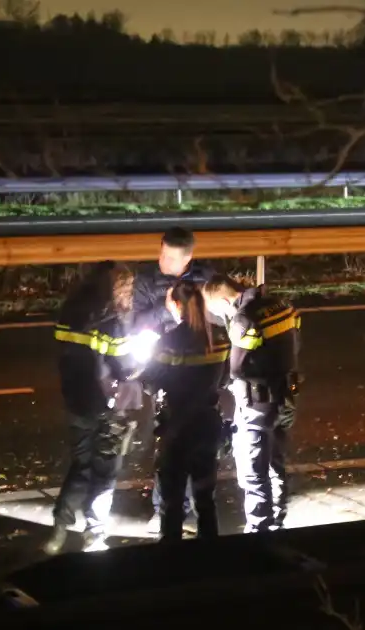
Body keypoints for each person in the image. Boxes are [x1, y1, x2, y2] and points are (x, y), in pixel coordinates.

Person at [43, 261, 138, 555]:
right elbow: (124, 368)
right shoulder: (111, 318)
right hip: (105, 405)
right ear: (117, 288)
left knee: (80, 465)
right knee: (104, 472)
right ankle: (94, 535)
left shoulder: (71, 309)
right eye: (128, 288)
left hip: (75, 399)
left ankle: (58, 530)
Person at [130, 227, 216, 534]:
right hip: (169, 373)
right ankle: (166, 509)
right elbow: (136, 323)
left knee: (189, 451)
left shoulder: (206, 277)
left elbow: (215, 319)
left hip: (199, 375)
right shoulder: (146, 280)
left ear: (188, 258)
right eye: (161, 252)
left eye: (169, 256)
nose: (161, 260)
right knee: (169, 447)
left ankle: (189, 514)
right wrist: (165, 312)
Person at [202, 274, 301, 532]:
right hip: (285, 396)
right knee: (275, 461)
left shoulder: (243, 319)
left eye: (214, 309)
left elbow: (235, 369)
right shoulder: (281, 305)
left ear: (223, 299)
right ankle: (278, 517)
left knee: (253, 470)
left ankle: (259, 529)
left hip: (257, 404)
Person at [138, 279, 229, 541]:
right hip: (208, 424)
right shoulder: (219, 338)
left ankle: (171, 560)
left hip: (177, 427)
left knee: (173, 500)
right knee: (205, 498)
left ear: (177, 306)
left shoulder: (169, 342)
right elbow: (223, 380)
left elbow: (150, 383)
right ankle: (209, 556)